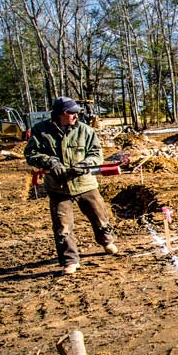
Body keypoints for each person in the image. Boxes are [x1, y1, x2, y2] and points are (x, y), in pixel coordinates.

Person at [25, 97, 118, 275]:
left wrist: (85, 165)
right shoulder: (41, 130)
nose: (75, 116)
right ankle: (70, 260)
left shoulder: (85, 130)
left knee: (100, 216)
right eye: (71, 113)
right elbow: (31, 154)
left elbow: (96, 153)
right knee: (62, 226)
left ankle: (107, 241)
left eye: (77, 112)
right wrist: (50, 162)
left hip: (85, 184)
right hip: (58, 187)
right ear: (59, 114)